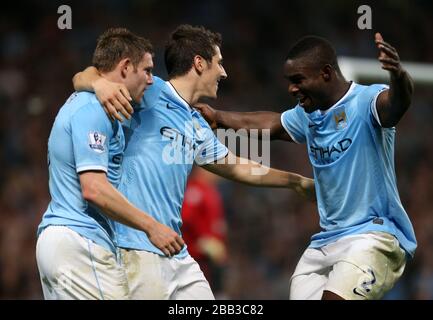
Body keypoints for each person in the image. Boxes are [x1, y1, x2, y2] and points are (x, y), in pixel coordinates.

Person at [72, 24, 315, 299]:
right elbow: (86, 74)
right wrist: (100, 84)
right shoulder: (151, 91)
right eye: (219, 63)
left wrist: (294, 182)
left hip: (178, 253)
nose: (224, 72)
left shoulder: (196, 122)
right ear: (199, 63)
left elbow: (236, 166)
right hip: (137, 245)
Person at [193, 33, 417, 300]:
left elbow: (396, 104)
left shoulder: (367, 101)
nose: (292, 89)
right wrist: (218, 117)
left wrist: (399, 76)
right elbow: (272, 125)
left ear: (325, 73)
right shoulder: (310, 116)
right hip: (326, 242)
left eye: (298, 80)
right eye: (290, 82)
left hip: (372, 236)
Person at [36, 28, 183, 300]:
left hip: (61, 243)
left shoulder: (98, 102)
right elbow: (94, 189)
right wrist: (152, 226)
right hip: (81, 240)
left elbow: (83, 76)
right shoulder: (92, 108)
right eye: (147, 70)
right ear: (125, 67)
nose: (152, 80)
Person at [181, 167, 228, 297]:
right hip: (196, 255)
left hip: (211, 256)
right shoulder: (195, 189)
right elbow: (186, 217)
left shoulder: (211, 190)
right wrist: (202, 239)